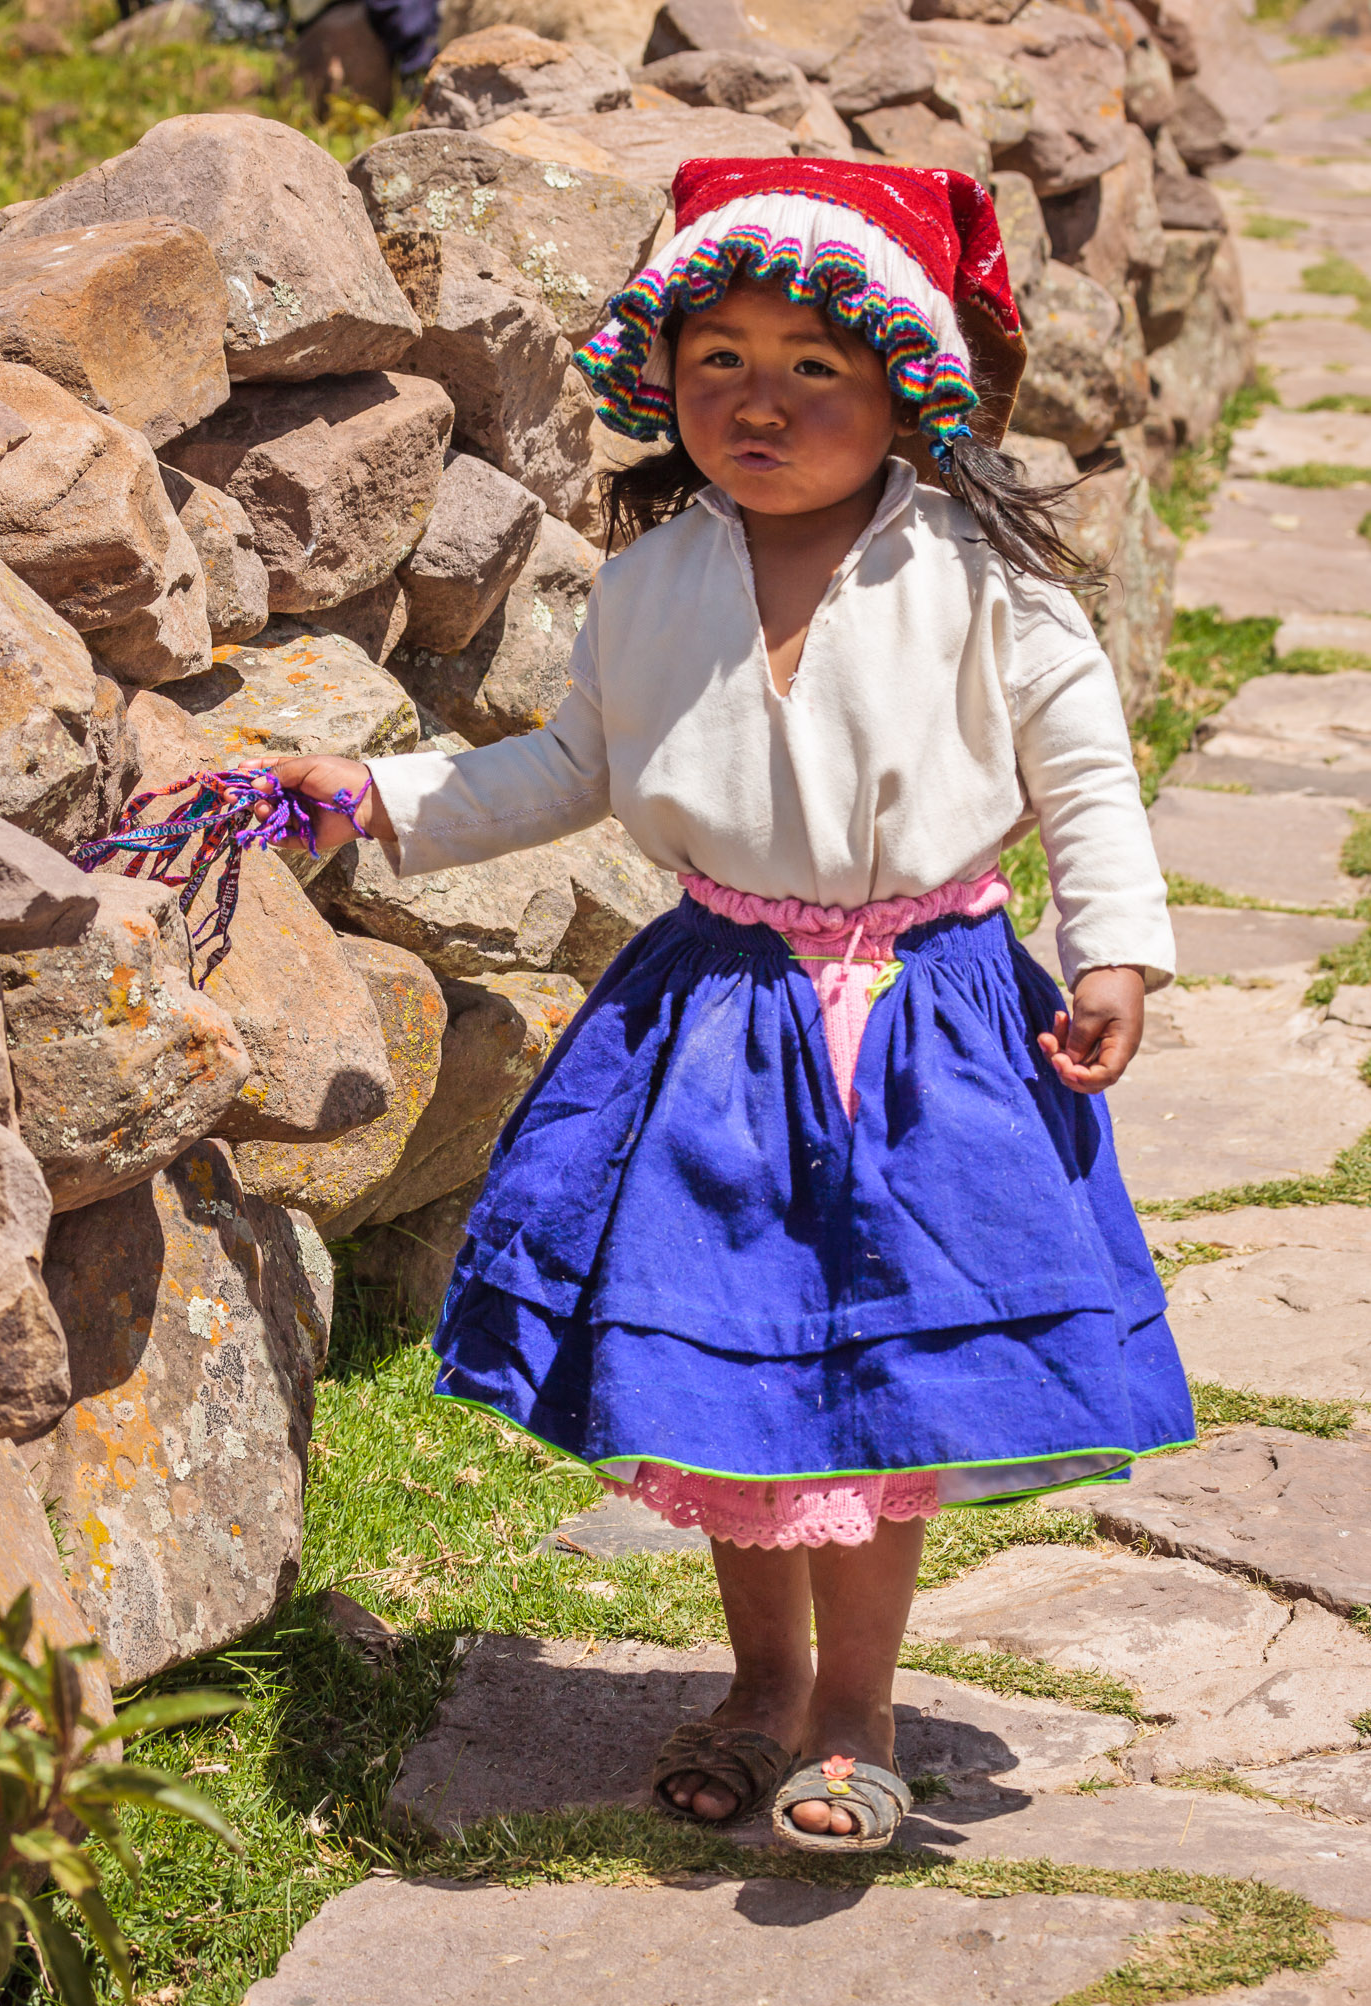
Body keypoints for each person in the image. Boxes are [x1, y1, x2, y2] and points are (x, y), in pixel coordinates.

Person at [243, 157, 1193, 1854]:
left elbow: (1088, 783)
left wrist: (1113, 948)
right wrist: (375, 793)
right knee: (733, 1373)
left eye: (813, 367)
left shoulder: (984, 582)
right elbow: (564, 772)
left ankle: (854, 1709)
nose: (759, 401)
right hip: (715, 1025)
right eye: (719, 364)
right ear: (662, 391)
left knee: (878, 1376)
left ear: (906, 393)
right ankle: (757, 1688)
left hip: (929, 1022)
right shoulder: (648, 587)